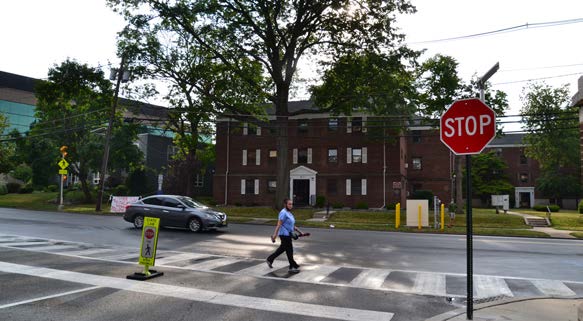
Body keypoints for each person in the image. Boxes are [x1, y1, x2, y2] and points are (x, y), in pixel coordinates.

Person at [266, 198, 303, 273]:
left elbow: (292, 225)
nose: (291, 205)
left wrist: (300, 232)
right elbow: (279, 225)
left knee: (282, 248)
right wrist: (274, 236)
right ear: (285, 204)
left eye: (291, 204)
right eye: (289, 204)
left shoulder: (289, 213)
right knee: (289, 250)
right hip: (284, 234)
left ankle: (270, 259)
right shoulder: (283, 213)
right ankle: (292, 267)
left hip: (288, 234)